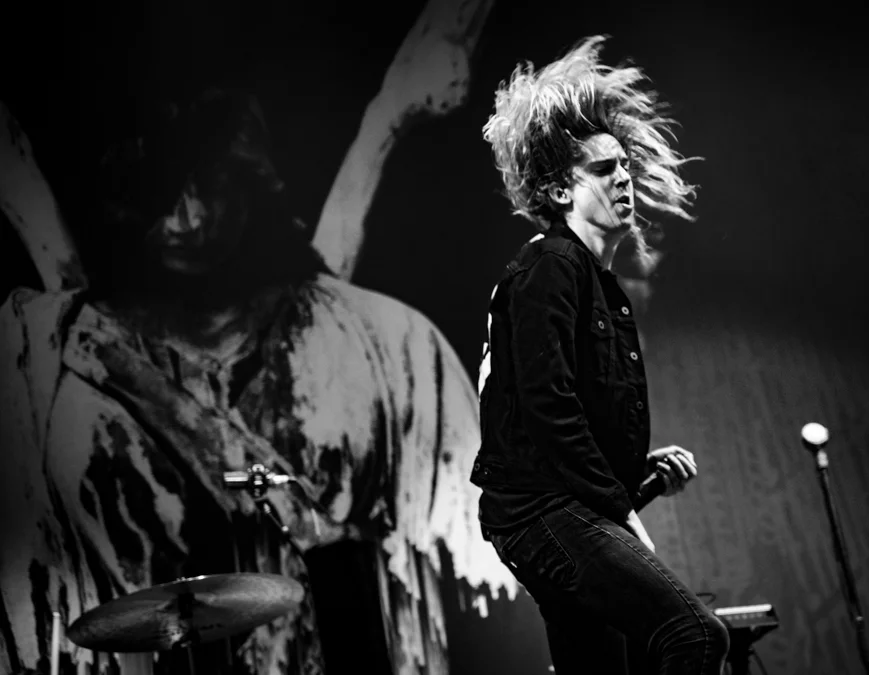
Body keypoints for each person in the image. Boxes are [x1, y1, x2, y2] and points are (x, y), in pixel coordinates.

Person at [0, 88, 494, 674]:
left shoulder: (389, 341)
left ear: (249, 177)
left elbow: (477, 579)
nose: (188, 218)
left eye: (209, 184)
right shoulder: (42, 351)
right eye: (162, 193)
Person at [470, 36, 730, 674]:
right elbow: (549, 407)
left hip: (548, 509)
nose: (623, 177)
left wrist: (635, 471)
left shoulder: (590, 280)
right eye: (603, 168)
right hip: (541, 512)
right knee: (695, 635)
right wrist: (619, 509)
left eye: (625, 165)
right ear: (560, 191)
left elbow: (563, 418)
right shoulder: (552, 264)